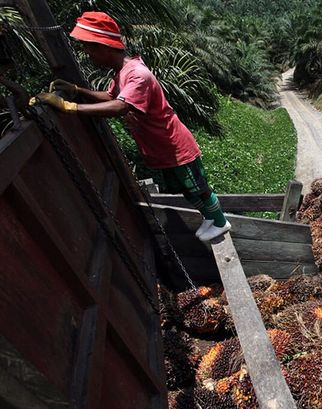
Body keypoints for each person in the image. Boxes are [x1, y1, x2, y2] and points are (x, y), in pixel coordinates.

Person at [31, 11, 230, 242]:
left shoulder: (137, 75)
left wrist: (69, 107)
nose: (88, 53)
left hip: (175, 145)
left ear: (104, 45)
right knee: (186, 189)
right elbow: (111, 96)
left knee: (199, 187)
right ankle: (208, 216)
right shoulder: (124, 72)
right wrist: (78, 91)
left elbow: (119, 107)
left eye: (90, 47)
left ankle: (220, 221)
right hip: (163, 148)